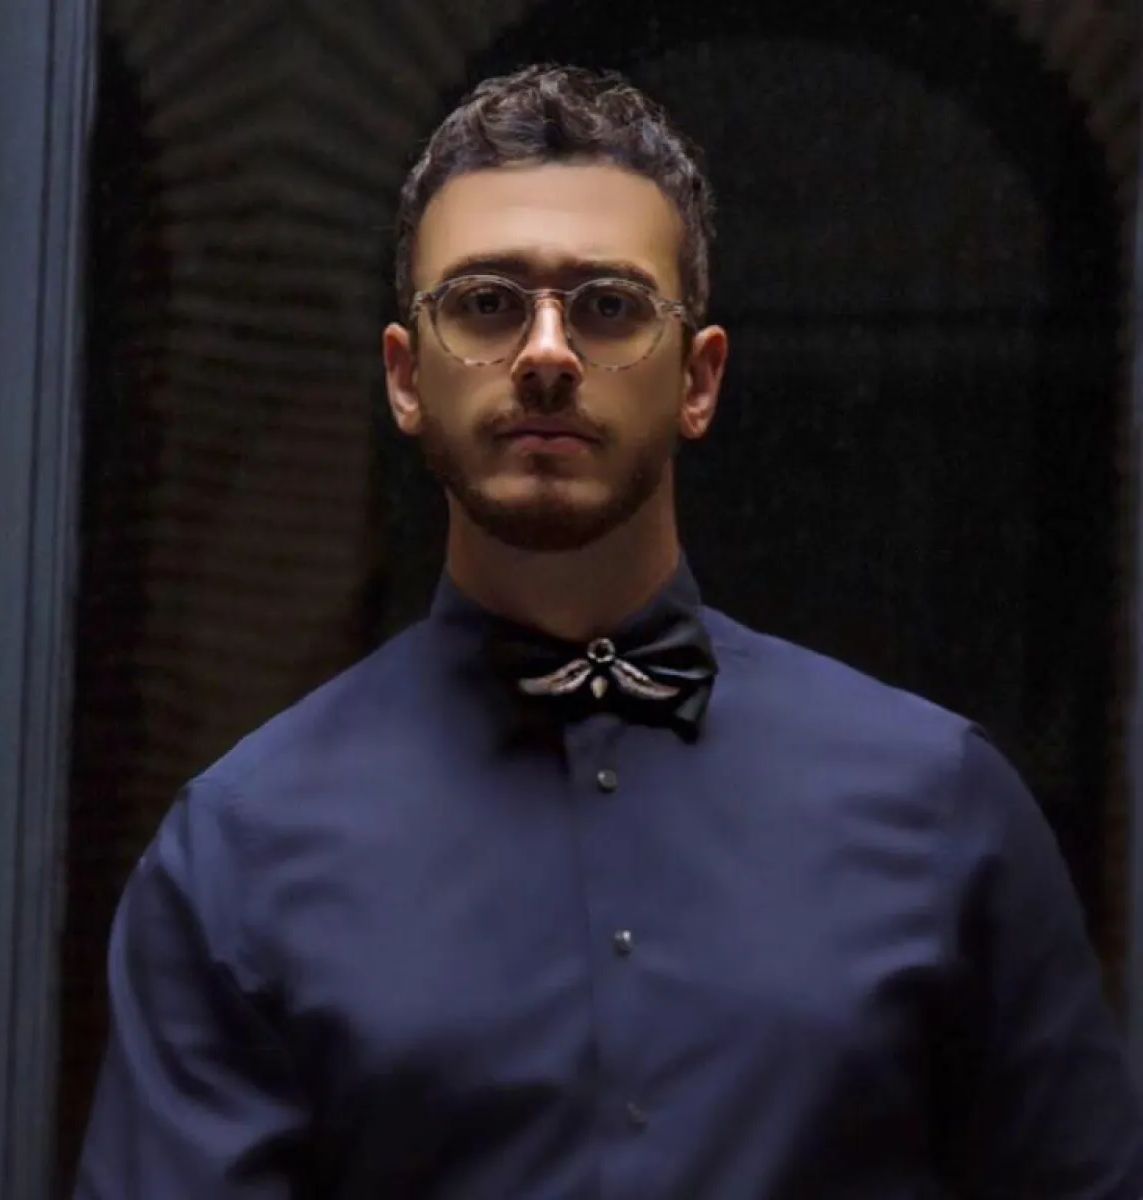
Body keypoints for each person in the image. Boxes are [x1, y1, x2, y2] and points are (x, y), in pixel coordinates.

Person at [73, 63, 1143, 1198]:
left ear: (699, 379)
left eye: (609, 307)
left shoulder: (943, 807)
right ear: (404, 377)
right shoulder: (238, 852)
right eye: (487, 304)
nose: (546, 352)